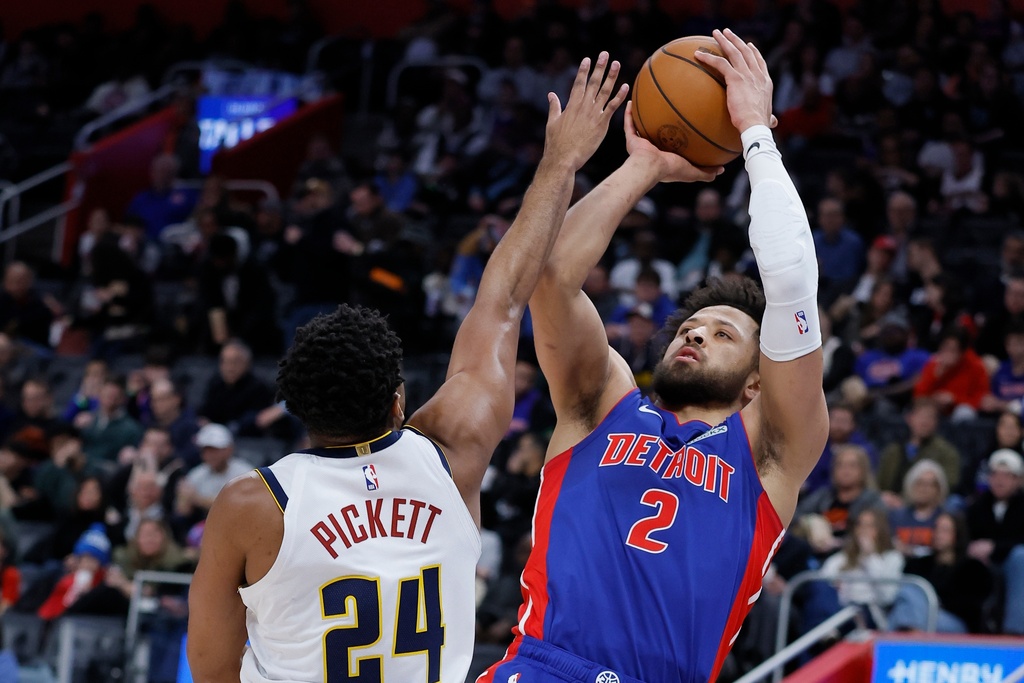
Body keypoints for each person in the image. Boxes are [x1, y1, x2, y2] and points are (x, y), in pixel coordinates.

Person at [187, 52, 630, 683]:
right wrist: (561, 163)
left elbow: (210, 669)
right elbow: (502, 300)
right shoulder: (452, 455)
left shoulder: (251, 504)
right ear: (399, 400)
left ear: (299, 409)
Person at [479, 30, 828, 683]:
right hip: (542, 668)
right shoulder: (602, 403)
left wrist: (754, 129)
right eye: (691, 328)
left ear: (759, 381)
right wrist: (643, 166)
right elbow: (553, 277)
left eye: (723, 334)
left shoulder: (770, 450)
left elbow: (790, 281)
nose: (696, 335)